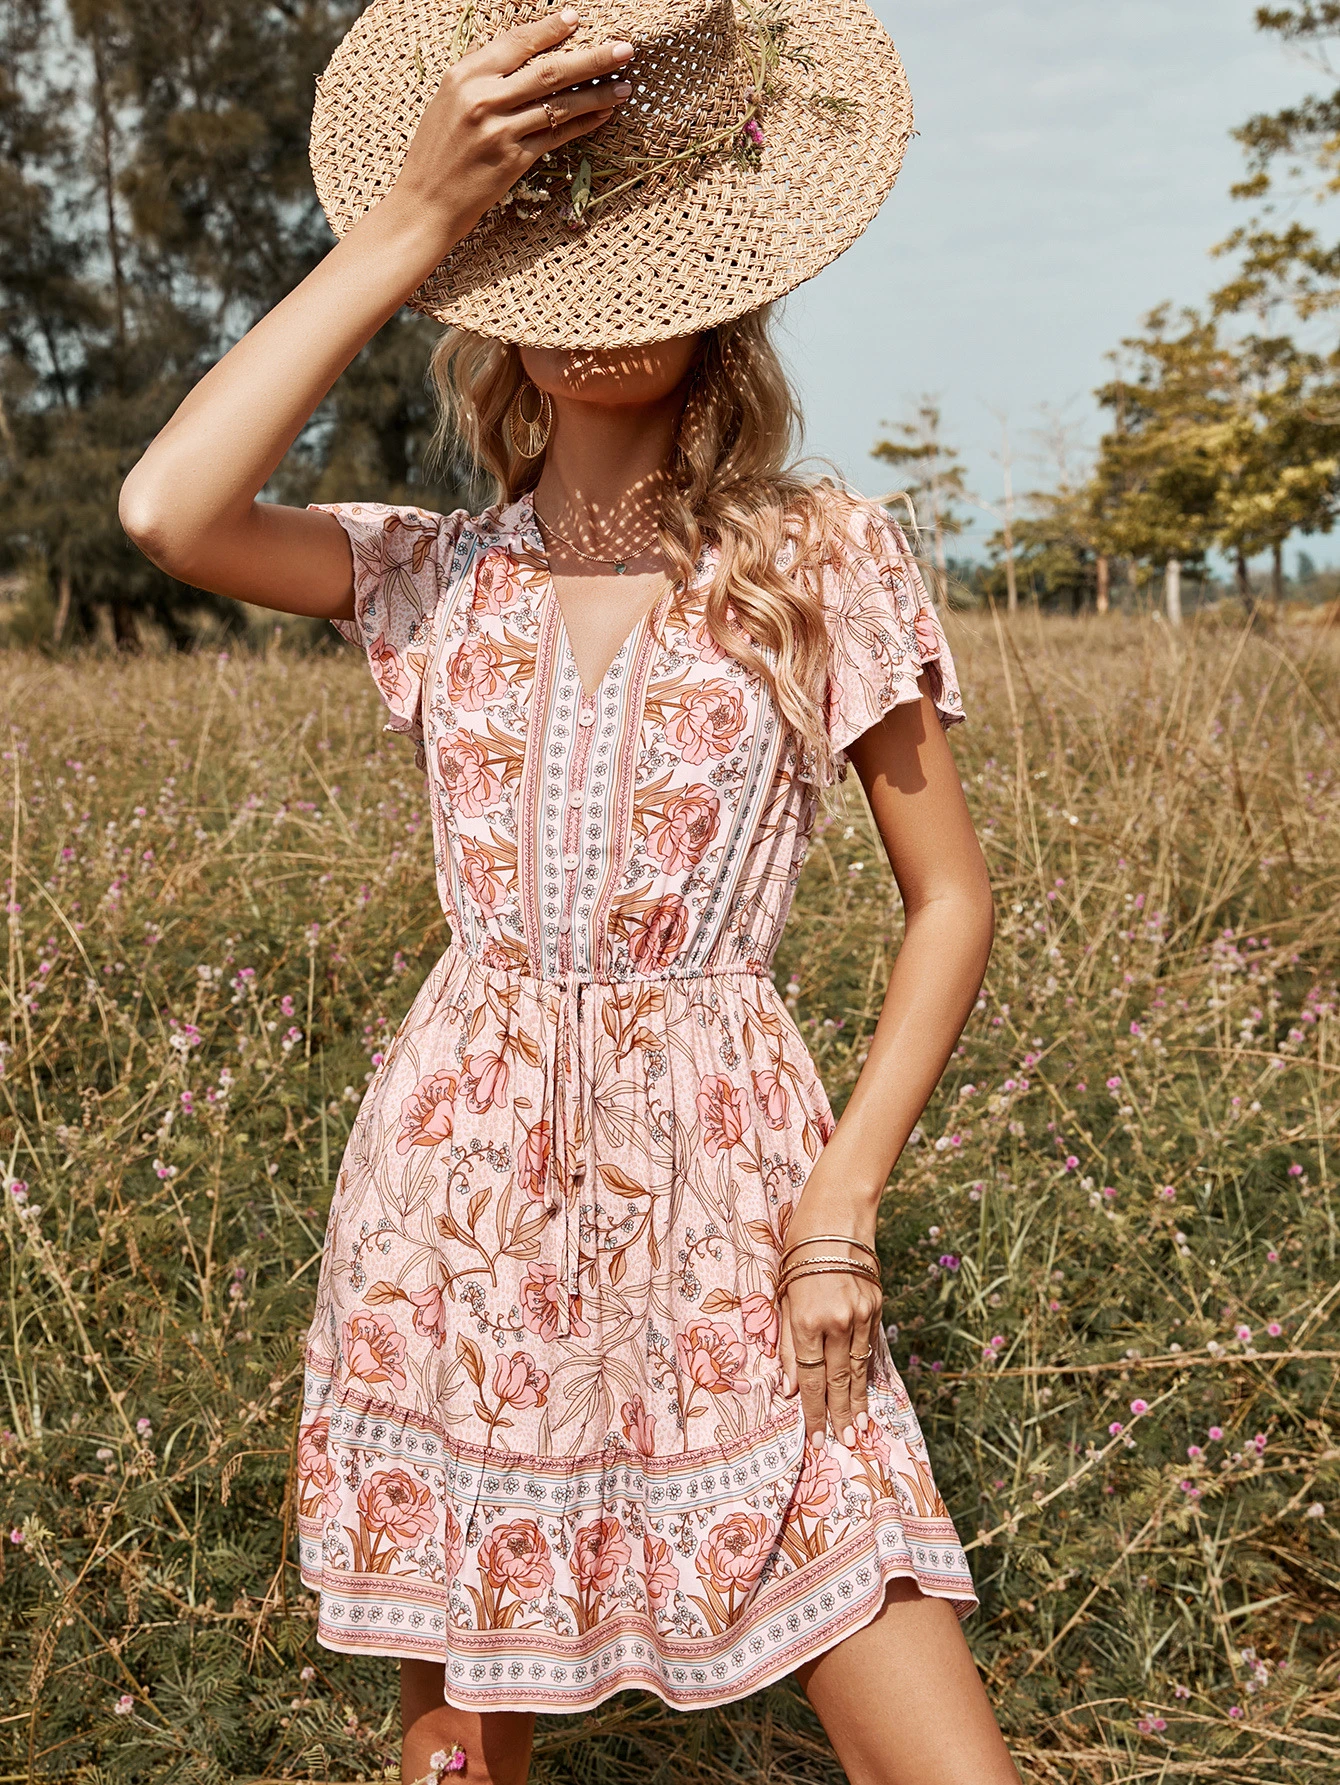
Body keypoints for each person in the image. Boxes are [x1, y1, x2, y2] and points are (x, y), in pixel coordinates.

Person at [119, 2, 1011, 1780]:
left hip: (745, 1203)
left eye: (650, 260)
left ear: (727, 289)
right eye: (559, 252)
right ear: (496, 292)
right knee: (459, 1761)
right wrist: (407, 226)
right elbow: (166, 510)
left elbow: (951, 899)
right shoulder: (429, 576)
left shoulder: (821, 558)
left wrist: (842, 1205)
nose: (609, 313)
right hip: (456, 1208)